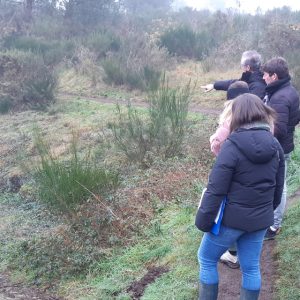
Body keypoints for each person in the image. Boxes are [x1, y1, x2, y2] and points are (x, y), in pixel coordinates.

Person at [195, 93, 285, 300]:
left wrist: (203, 220)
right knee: (251, 267)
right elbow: (278, 187)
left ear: (236, 115)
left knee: (206, 259)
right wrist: (265, 212)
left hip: (231, 220)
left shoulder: (232, 146)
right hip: (259, 220)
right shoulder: (275, 146)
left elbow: (215, 189)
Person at [262, 57, 300, 240]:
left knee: (279, 185)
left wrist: (260, 134)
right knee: (278, 183)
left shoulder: (280, 97)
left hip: (278, 149)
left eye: (265, 75)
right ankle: (272, 220)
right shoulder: (288, 90)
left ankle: (274, 225)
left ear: (274, 76)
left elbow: (279, 129)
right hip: (284, 146)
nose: (263, 78)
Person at [201, 50, 266, 99]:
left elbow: (252, 112)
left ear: (248, 67)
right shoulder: (251, 78)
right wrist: (214, 85)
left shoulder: (258, 87)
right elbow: (233, 83)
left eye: (242, 65)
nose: (241, 67)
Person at [210, 81, 249, 156]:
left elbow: (216, 145)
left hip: (236, 160)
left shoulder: (230, 120)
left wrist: (212, 139)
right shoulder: (261, 115)